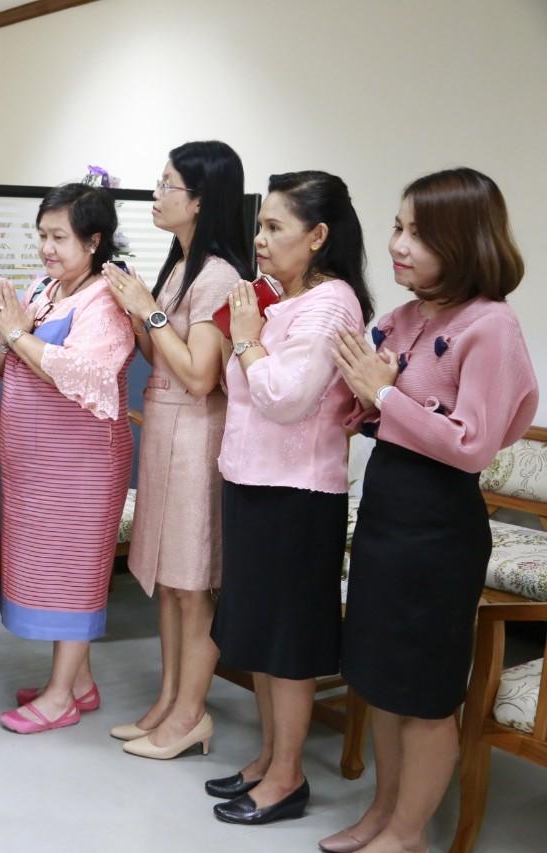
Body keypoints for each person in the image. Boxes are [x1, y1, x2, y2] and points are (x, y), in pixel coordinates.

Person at [323, 168, 537, 853]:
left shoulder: (491, 325)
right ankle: (381, 814)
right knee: (380, 682)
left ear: (463, 240)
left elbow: (471, 446)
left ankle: (408, 833)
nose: (398, 244)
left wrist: (384, 396)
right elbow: (366, 406)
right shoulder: (405, 318)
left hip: (440, 526)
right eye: (398, 226)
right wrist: (362, 395)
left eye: (419, 232)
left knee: (423, 691)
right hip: (386, 510)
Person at [207, 171, 373, 825]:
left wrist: (247, 338)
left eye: (275, 226)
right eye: (261, 225)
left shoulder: (331, 304)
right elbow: (246, 385)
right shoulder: (282, 298)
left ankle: (287, 776)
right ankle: (270, 757)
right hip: (253, 481)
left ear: (319, 235)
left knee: (288, 645)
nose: (261, 238)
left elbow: (284, 397)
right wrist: (250, 336)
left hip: (297, 495)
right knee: (260, 637)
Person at [103, 141, 250, 758]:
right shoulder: (178, 266)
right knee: (167, 580)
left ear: (201, 200)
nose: (157, 195)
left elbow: (198, 375)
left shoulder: (220, 275)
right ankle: (167, 702)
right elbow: (158, 355)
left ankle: (191, 714)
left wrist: (149, 313)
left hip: (196, 435)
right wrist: (138, 314)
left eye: (168, 185)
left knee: (193, 584)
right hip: (165, 432)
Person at [0, 183, 135, 734]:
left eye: (59, 237)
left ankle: (59, 699)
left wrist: (16, 335)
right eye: (42, 236)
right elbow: (11, 361)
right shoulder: (45, 287)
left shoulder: (105, 300)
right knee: (46, 569)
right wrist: (8, 337)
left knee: (72, 573)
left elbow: (85, 375)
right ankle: (80, 682)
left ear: (93, 242)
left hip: (81, 467)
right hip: (36, 466)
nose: (46, 248)